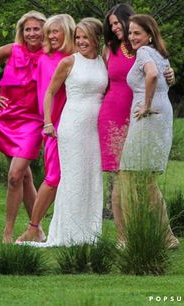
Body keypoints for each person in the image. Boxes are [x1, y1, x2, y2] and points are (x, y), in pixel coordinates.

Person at [28, 17, 108, 247]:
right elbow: (50, 93)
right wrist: (48, 122)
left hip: (95, 128)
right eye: (78, 37)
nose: (81, 42)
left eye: (86, 37)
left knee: (92, 178)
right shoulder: (69, 62)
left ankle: (89, 234)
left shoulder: (104, 62)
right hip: (72, 125)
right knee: (72, 177)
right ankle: (67, 234)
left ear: (96, 39)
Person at [98, 3, 175, 240]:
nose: (115, 28)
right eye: (110, 25)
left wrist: (171, 76)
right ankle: (124, 237)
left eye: (116, 23)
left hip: (141, 116)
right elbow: (100, 81)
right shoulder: (109, 49)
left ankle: (157, 235)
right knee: (120, 179)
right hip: (114, 115)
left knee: (142, 180)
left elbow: (157, 75)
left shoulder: (143, 48)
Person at [0, 10, 46, 243]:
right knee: (24, 178)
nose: (32, 33)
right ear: (22, 32)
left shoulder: (51, 54)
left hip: (34, 121)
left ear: (44, 30)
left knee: (15, 176)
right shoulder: (11, 50)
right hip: (7, 119)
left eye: (36, 28)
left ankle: (7, 233)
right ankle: (36, 230)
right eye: (28, 29)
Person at [119, 14, 179, 248]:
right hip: (161, 114)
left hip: (148, 116)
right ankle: (163, 235)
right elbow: (165, 78)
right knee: (144, 178)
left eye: (137, 33)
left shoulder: (144, 52)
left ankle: (164, 236)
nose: (133, 37)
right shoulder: (160, 54)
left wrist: (146, 103)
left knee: (133, 175)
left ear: (149, 35)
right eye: (131, 32)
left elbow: (153, 75)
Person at [16, 14, 76, 242]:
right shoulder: (44, 58)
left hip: (76, 123)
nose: (50, 35)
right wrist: (47, 122)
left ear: (67, 32)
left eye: (55, 31)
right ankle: (34, 227)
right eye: (48, 31)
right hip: (54, 126)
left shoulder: (77, 57)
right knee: (53, 177)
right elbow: (45, 93)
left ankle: (68, 228)